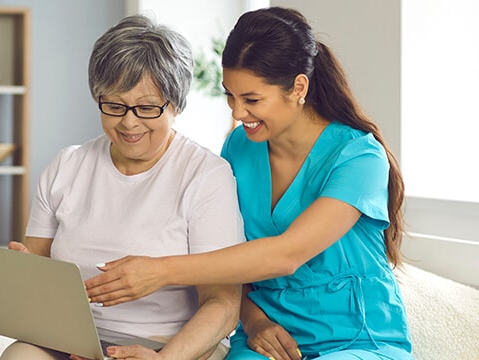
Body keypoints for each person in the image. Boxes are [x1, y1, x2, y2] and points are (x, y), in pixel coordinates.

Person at [85, 7, 413, 360]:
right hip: (266, 335)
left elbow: (286, 255)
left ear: (298, 87)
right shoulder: (239, 148)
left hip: (356, 339)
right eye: (230, 96)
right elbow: (231, 262)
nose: (237, 113)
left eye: (252, 99)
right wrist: (254, 322)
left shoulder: (359, 158)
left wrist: (161, 270)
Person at [0, 13, 245, 360]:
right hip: (74, 341)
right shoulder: (66, 166)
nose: (129, 122)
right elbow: (38, 268)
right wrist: (26, 275)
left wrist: (164, 358)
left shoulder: (206, 175)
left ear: (174, 104)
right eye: (114, 106)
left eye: (146, 108)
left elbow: (222, 304)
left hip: (172, 347)